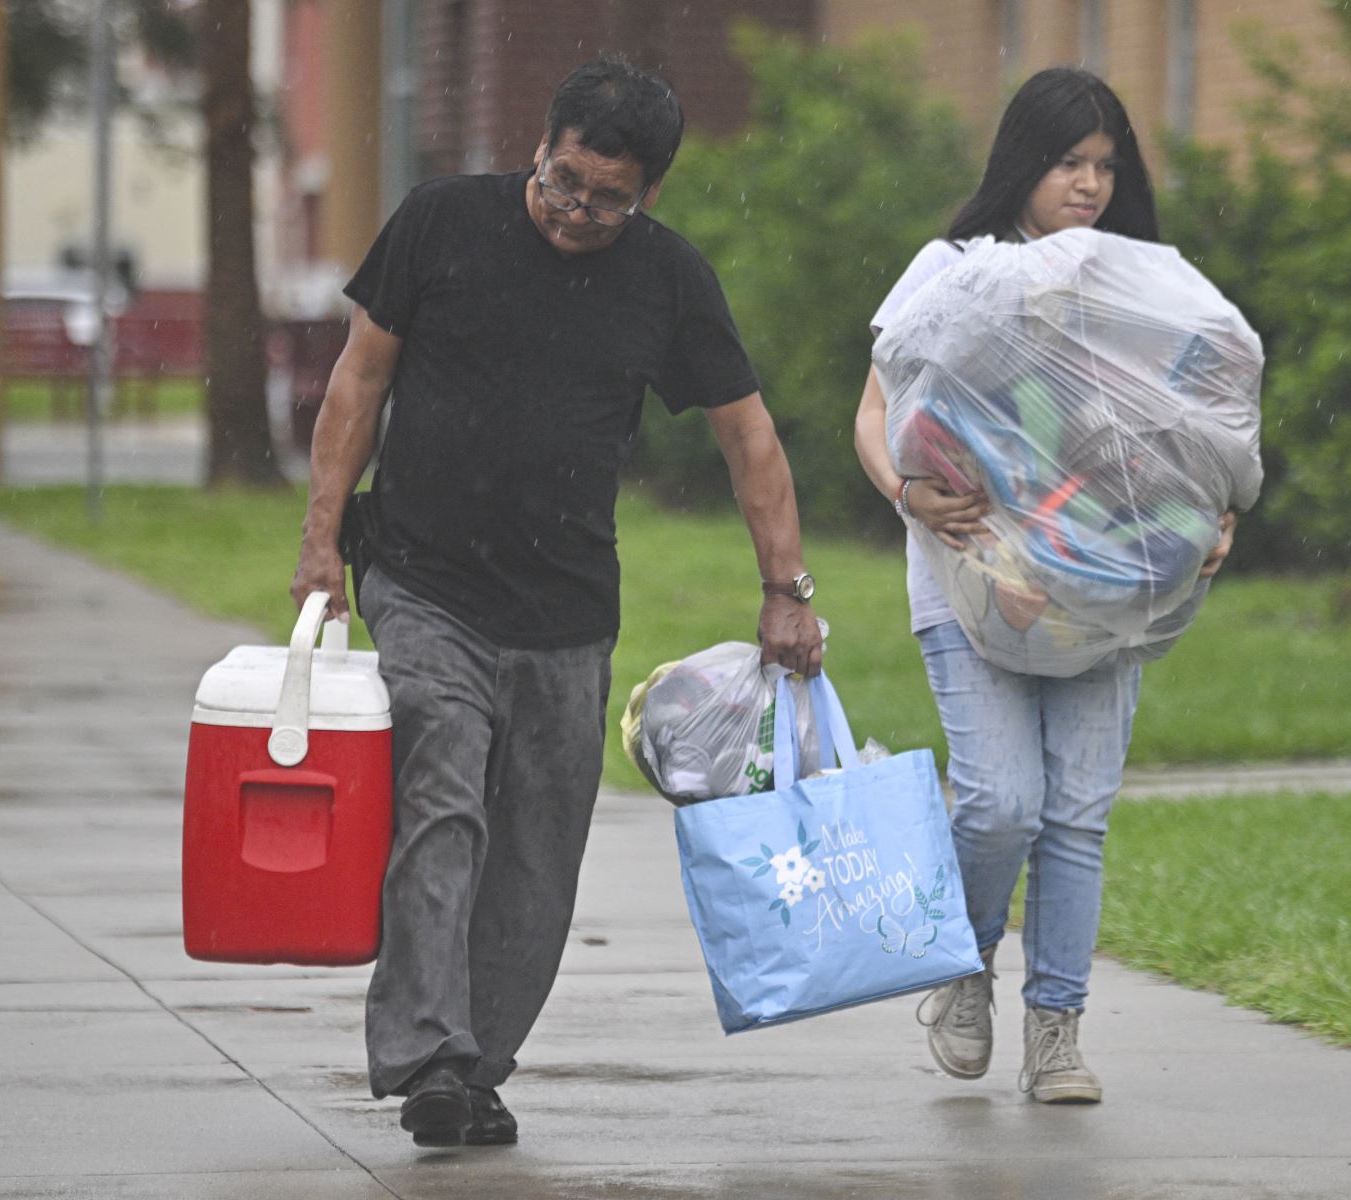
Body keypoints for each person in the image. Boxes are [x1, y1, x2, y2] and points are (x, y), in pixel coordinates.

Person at [291, 55, 824, 1147]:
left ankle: (477, 1065)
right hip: (425, 577)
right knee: (442, 799)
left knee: (539, 848)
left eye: (606, 198)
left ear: (650, 194)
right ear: (540, 146)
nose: (576, 211)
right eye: (563, 181)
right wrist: (318, 547)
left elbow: (749, 437)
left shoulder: (668, 280)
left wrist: (787, 591)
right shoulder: (442, 223)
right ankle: (428, 1053)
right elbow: (359, 379)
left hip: (568, 607)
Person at [852, 67, 1238, 1104]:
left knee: (1075, 813)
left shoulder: (1143, 280)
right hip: (970, 580)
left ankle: (1057, 1031)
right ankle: (964, 968)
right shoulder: (954, 266)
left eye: (1107, 166)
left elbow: (1189, 430)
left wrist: (1211, 516)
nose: (1090, 185)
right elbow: (878, 406)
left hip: (1106, 585)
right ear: (1025, 159)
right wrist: (906, 493)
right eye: (1070, 162)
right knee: (998, 804)